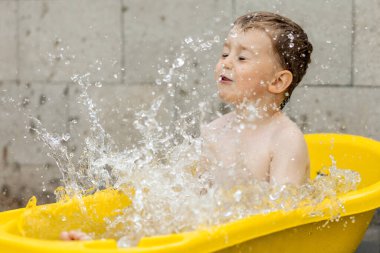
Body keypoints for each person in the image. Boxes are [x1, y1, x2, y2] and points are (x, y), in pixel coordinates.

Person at [61, 11, 313, 241]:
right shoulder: (215, 130)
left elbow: (285, 217)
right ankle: (118, 245)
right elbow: (193, 203)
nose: (225, 63)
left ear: (278, 81)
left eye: (242, 57)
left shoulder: (284, 139)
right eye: (225, 53)